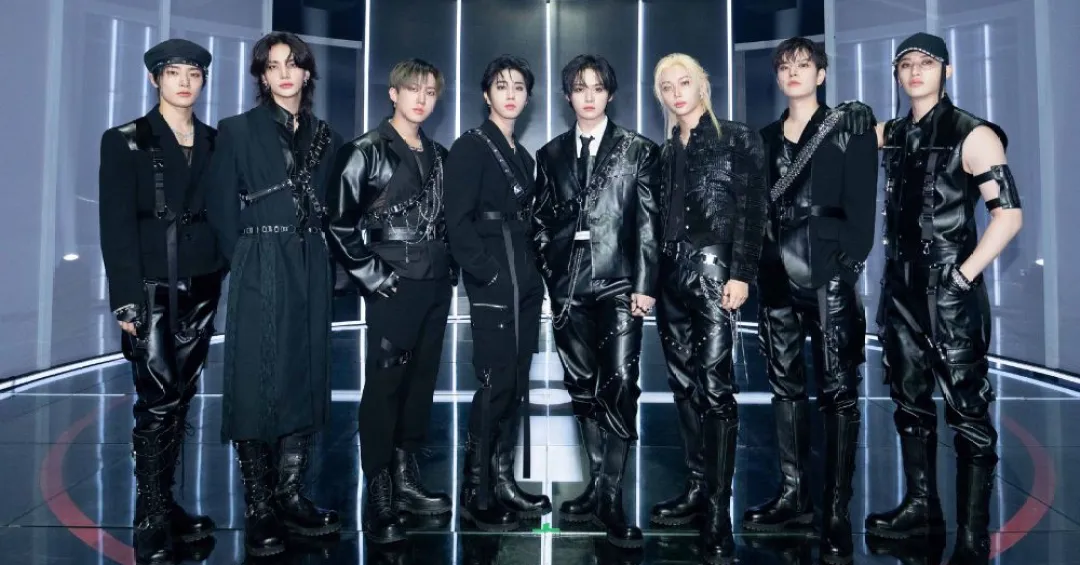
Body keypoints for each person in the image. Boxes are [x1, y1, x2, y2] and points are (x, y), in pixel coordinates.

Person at [865, 32, 1023, 565]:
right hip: (901, 292)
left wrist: (963, 276)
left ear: (946, 71)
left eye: (926, 63)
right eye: (905, 64)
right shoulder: (892, 134)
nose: (915, 71)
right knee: (909, 404)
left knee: (968, 413)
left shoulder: (973, 134)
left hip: (951, 294)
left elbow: (1009, 215)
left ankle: (973, 537)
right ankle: (920, 508)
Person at [738, 37, 878, 565]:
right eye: (785, 66)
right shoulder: (763, 139)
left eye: (803, 64)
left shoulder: (848, 130)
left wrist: (847, 266)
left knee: (839, 392)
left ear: (821, 74)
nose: (793, 72)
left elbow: (862, 208)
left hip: (828, 276)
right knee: (785, 388)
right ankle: (794, 496)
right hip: (775, 276)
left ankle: (836, 509)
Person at [205, 31, 344, 557]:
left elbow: (331, 206)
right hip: (260, 261)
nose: (284, 73)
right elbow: (221, 209)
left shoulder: (326, 137)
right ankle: (259, 505)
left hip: (309, 264)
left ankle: (290, 494)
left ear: (307, 73)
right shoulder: (237, 130)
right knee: (254, 378)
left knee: (303, 375)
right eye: (273, 65)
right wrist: (246, 257)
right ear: (262, 76)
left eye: (293, 64)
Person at [99, 38, 222, 565]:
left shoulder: (215, 141)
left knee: (183, 397)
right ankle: (149, 518)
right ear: (155, 79)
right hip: (150, 287)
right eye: (174, 73)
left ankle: (167, 505)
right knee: (157, 400)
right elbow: (115, 225)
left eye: (193, 73)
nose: (185, 82)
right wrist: (125, 299)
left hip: (202, 282)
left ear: (203, 80)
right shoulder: (125, 140)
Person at [532, 54, 660, 549]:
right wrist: (551, 271)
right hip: (569, 284)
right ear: (568, 95)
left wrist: (644, 284)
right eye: (580, 88)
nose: (589, 96)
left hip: (620, 280)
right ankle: (595, 487)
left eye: (597, 87)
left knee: (621, 381)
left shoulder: (638, 149)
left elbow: (647, 222)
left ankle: (612, 495)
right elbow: (540, 221)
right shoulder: (550, 154)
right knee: (581, 384)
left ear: (610, 93)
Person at [324, 58, 453, 544]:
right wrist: (374, 277)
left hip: (435, 284)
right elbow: (338, 224)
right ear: (393, 94)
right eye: (412, 89)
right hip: (392, 283)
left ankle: (406, 478)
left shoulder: (439, 155)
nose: (421, 99)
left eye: (429, 92)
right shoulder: (364, 150)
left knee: (421, 383)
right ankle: (379, 492)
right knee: (384, 386)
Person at [650, 53, 767, 564]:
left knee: (717, 388)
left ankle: (718, 509)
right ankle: (698, 487)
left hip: (716, 273)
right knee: (683, 385)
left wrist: (742, 273)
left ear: (702, 85)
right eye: (667, 86)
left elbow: (753, 208)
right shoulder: (663, 152)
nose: (677, 92)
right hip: (670, 278)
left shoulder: (737, 138)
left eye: (685, 82)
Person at [444, 55, 551, 531]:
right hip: (494, 275)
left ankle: (503, 480)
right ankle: (476, 490)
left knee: (516, 382)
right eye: (501, 85)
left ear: (528, 98)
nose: (511, 94)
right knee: (494, 383)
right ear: (486, 94)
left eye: (519, 87)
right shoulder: (470, 146)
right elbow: (456, 222)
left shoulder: (523, 156)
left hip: (524, 276)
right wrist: (487, 274)